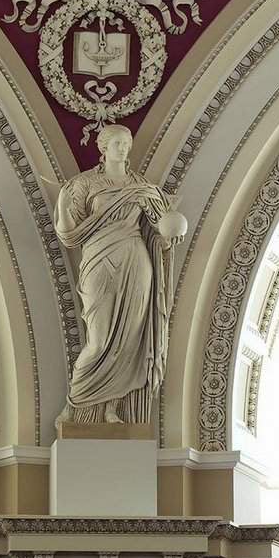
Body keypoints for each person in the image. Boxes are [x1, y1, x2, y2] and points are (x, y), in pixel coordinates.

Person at [54, 124, 186, 425]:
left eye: (126, 142)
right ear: (103, 147)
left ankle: (113, 407)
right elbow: (69, 232)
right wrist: (62, 203)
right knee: (99, 341)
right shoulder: (84, 184)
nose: (123, 148)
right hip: (99, 260)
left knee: (128, 341)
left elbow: (158, 230)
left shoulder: (144, 188)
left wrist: (169, 236)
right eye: (116, 142)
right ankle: (75, 406)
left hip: (136, 260)